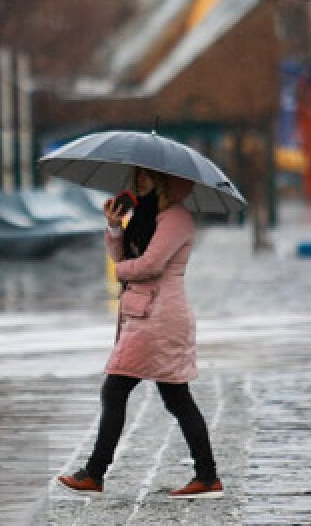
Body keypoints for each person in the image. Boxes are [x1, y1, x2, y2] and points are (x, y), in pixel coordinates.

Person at [57, 167, 223, 499]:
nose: (140, 181)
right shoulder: (148, 214)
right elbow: (128, 257)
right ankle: (206, 477)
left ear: (167, 180)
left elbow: (149, 266)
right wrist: (116, 227)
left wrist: (120, 271)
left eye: (148, 176)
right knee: (175, 398)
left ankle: (95, 472)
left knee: (117, 389)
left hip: (160, 316)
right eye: (137, 176)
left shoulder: (175, 219)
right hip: (146, 313)